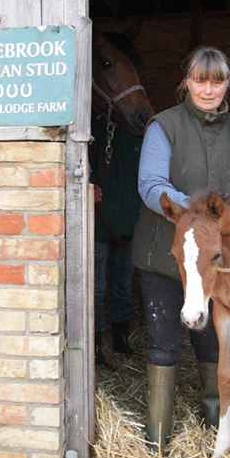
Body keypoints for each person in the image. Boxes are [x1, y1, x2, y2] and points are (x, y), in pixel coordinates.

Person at [131, 46, 230, 451]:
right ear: (186, 82)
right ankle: (158, 438)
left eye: (217, 80)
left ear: (228, 84)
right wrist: (194, 214)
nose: (208, 90)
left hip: (217, 264)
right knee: (164, 341)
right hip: (167, 257)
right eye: (199, 80)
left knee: (214, 341)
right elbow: (151, 184)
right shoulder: (164, 126)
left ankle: (215, 427)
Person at [89, 113, 143, 369]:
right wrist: (88, 187)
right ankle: (95, 345)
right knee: (97, 288)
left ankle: (121, 339)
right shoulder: (91, 129)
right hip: (100, 223)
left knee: (123, 284)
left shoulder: (136, 132)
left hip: (128, 222)